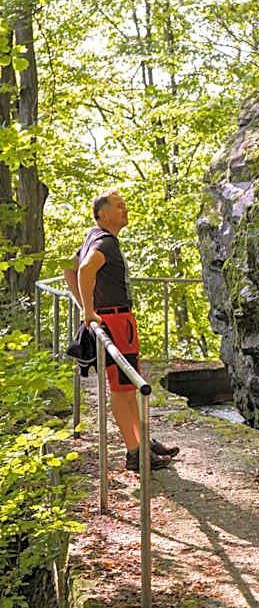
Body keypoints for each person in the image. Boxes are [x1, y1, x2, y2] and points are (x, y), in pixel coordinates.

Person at [64, 189, 178, 471]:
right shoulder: (104, 241)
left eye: (125, 205)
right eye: (118, 206)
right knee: (122, 388)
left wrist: (84, 304)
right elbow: (85, 269)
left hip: (115, 319)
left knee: (128, 386)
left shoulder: (95, 236)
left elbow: (69, 266)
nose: (125, 210)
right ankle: (134, 452)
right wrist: (88, 311)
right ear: (102, 214)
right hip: (115, 321)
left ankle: (142, 442)